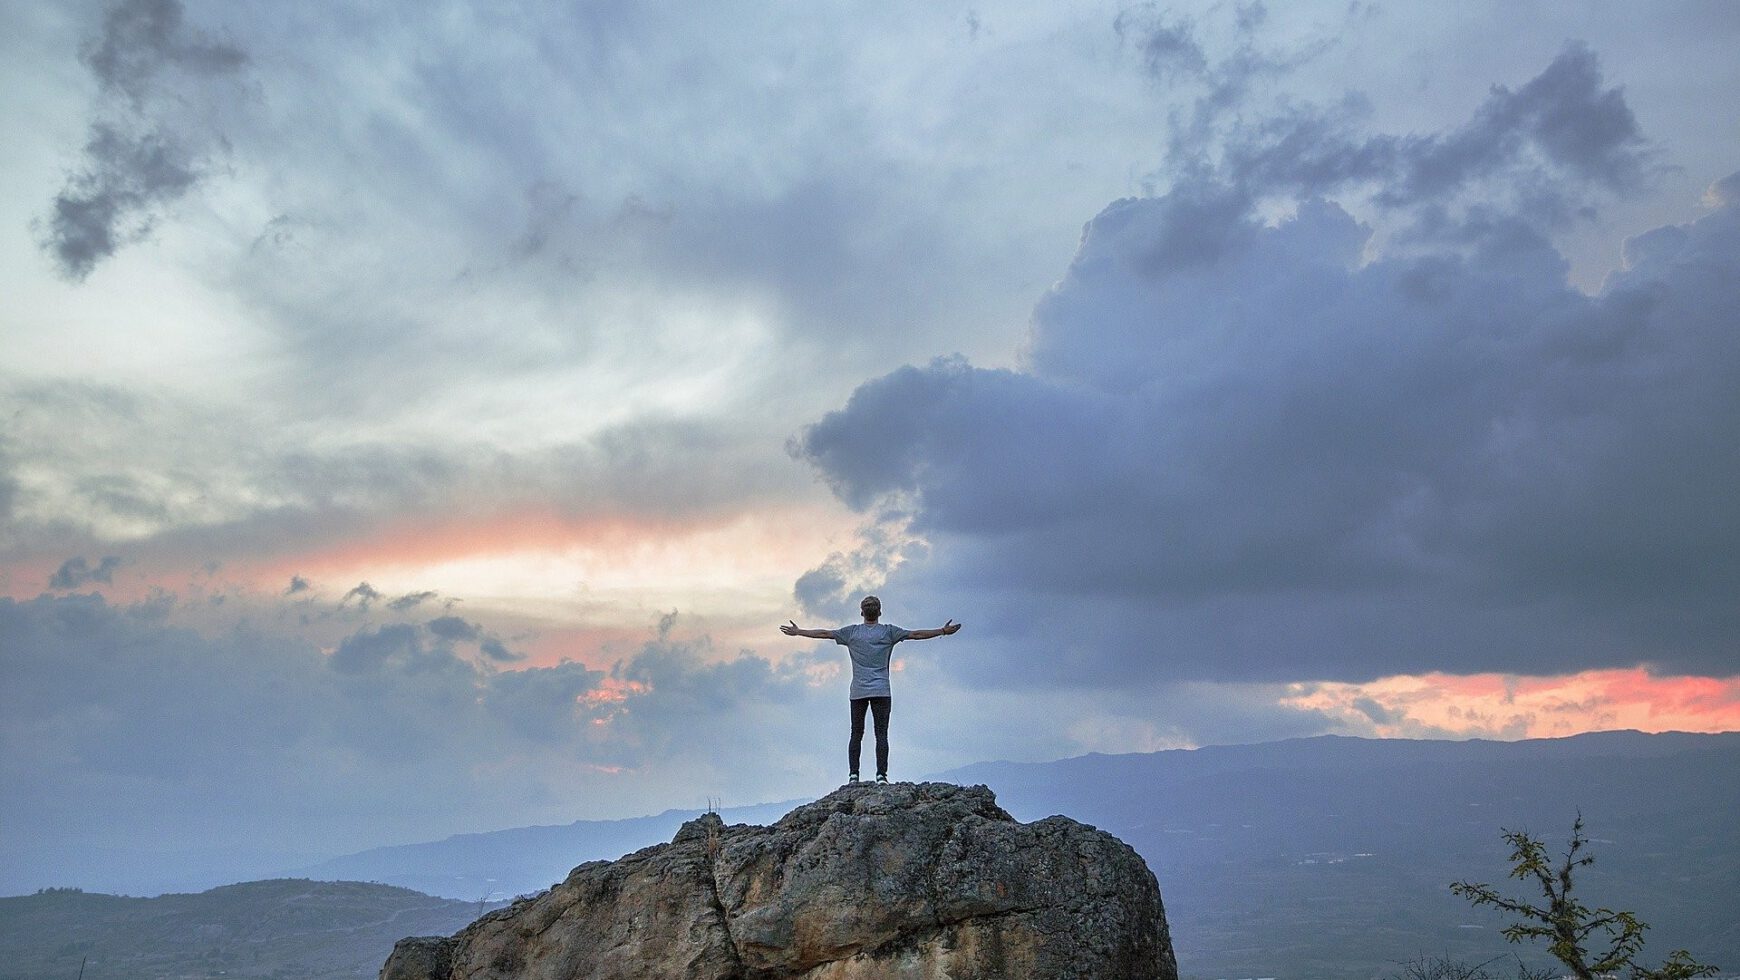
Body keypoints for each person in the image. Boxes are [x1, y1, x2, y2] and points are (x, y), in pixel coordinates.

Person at [781, 595, 962, 786]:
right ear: (880, 612)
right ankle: (881, 776)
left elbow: (824, 633)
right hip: (882, 690)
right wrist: (942, 630)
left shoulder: (852, 633)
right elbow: (916, 634)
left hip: (858, 691)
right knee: (881, 734)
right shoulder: (889, 632)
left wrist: (799, 631)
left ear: (861, 613)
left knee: (856, 733)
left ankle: (853, 776)